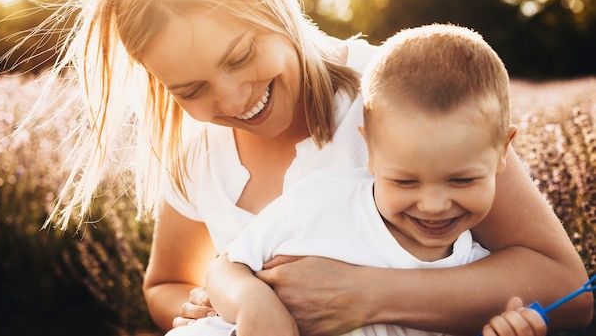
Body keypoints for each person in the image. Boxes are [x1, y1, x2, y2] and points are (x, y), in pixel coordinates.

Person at [31, 0, 591, 335]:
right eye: (189, 90)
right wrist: (227, 302)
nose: (233, 99)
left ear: (273, 4)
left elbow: (565, 288)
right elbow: (164, 286)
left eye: (240, 55)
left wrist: (370, 297)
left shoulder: (397, 97)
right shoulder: (195, 150)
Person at [164, 23, 548, 336]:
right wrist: (251, 300)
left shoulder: (476, 274)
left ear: (503, 153)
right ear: (371, 152)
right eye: (406, 182)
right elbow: (224, 266)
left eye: (462, 181)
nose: (433, 204)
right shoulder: (323, 199)